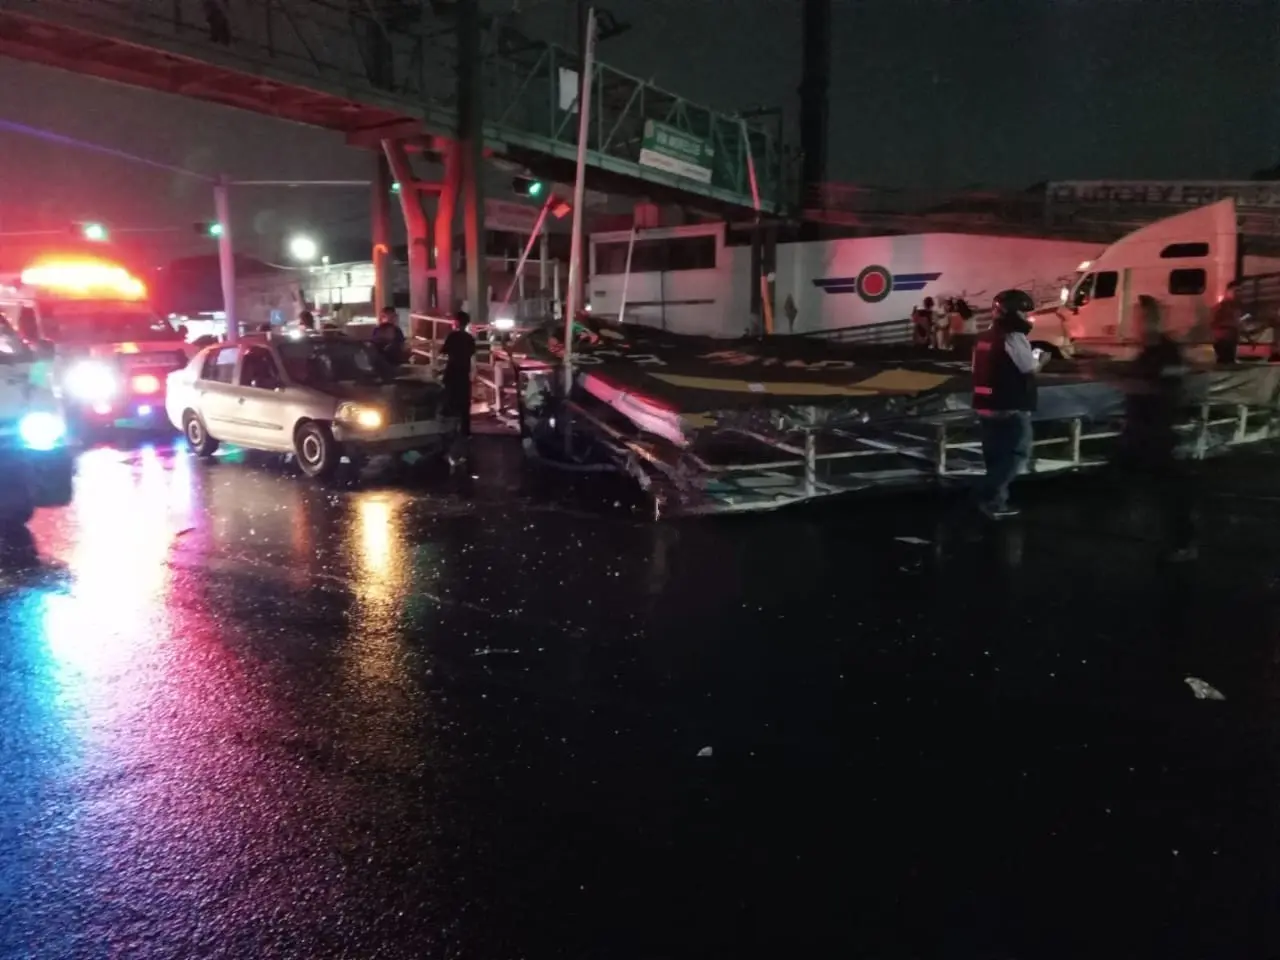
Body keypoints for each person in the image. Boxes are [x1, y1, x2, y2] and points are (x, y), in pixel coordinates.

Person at [1117, 295, 1196, 561]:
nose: (1137, 323)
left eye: (1142, 317)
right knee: (1144, 479)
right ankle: (1160, 532)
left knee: (1168, 486)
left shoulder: (1167, 351)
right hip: (1140, 427)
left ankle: (1181, 542)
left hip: (1157, 429)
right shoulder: (1147, 351)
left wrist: (1110, 379)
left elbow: (1161, 387)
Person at [971, 288, 1038, 519]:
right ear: (1013, 312)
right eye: (1024, 312)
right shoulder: (1014, 337)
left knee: (994, 457)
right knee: (1015, 455)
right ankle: (988, 498)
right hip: (1009, 406)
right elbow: (1027, 368)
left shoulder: (984, 337)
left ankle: (995, 501)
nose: (1028, 317)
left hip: (985, 404)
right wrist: (1041, 362)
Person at [441, 310, 476, 438]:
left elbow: (444, 351)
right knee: (465, 403)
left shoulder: (452, 336)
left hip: (452, 371)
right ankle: (465, 432)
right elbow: (472, 352)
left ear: (456, 322)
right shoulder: (469, 338)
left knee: (449, 399)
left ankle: (449, 430)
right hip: (464, 372)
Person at [1210, 284, 1241, 364]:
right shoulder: (1222, 306)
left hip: (1227, 336)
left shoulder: (1234, 306)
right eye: (1236, 291)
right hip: (1224, 336)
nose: (1238, 294)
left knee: (1226, 360)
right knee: (1225, 359)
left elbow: (1237, 322)